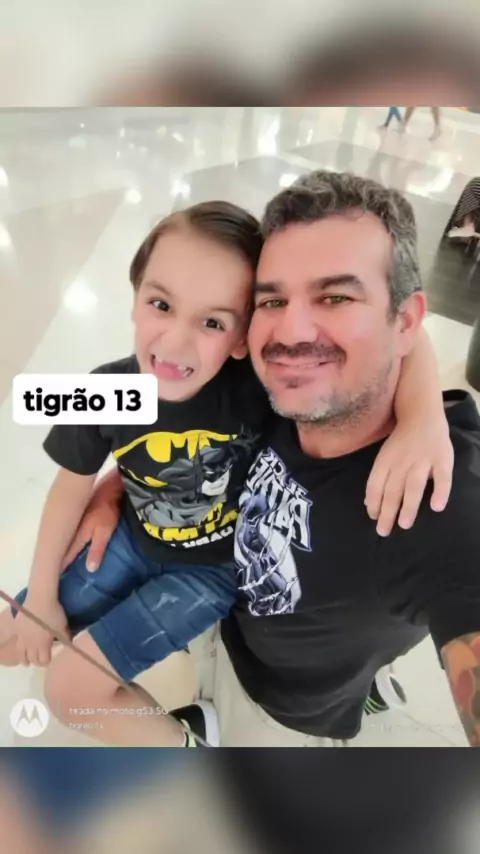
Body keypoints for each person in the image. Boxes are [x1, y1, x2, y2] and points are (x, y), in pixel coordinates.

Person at [0, 188, 454, 749]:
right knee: (18, 628)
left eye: (213, 322)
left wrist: (424, 418)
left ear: (242, 339)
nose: (175, 342)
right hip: (133, 541)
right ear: (134, 297)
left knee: (70, 687)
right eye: (160, 304)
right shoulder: (109, 389)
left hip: (213, 572)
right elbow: (67, 490)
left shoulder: (258, 387)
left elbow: (404, 333)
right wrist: (43, 592)